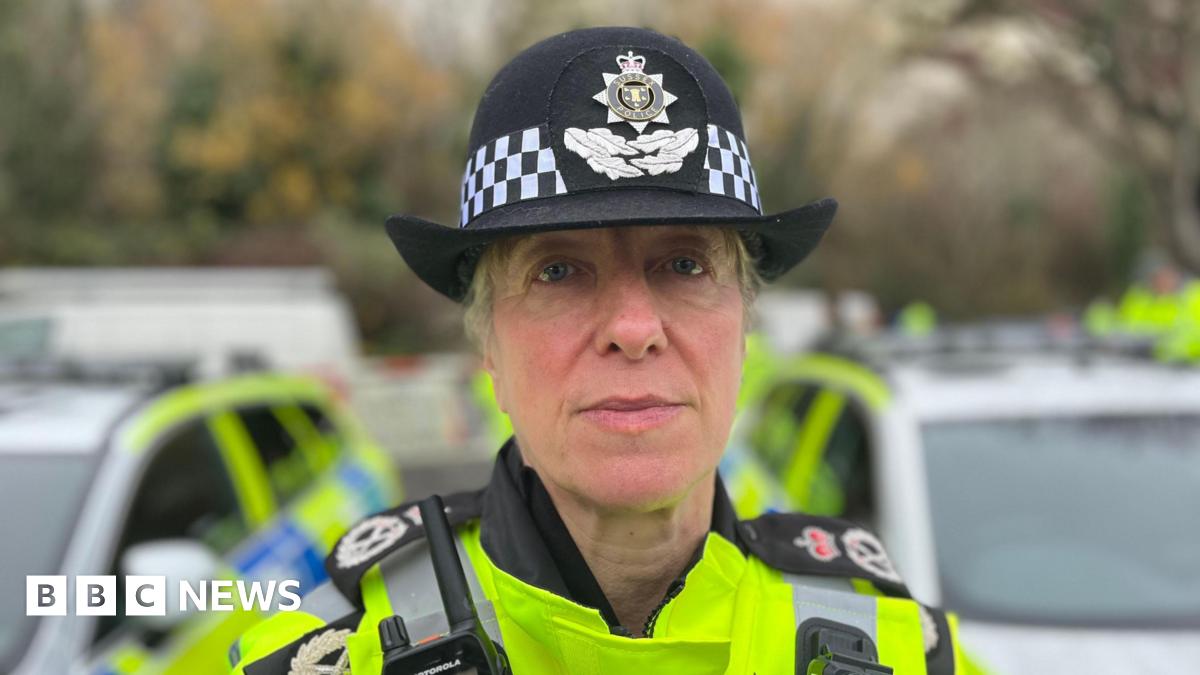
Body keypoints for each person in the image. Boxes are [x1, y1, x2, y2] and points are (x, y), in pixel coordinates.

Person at [230, 27, 976, 674]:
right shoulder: (342, 653)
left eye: (684, 264)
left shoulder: (903, 651)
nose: (633, 325)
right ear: (488, 346)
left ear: (744, 328)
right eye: (558, 270)